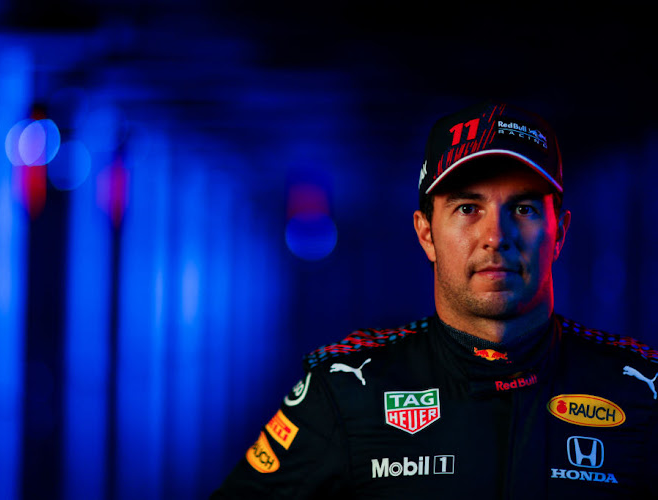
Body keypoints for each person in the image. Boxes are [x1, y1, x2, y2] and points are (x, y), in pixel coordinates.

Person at [212, 101, 658, 498]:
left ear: (559, 231)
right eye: (468, 208)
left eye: (522, 209)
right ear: (426, 233)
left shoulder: (643, 390)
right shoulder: (347, 390)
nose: (496, 237)